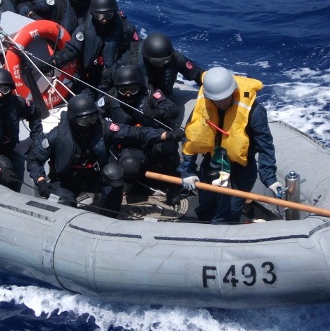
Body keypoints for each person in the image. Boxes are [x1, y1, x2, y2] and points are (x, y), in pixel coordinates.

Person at [27, 94, 185, 216]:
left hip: (93, 175)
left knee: (114, 175)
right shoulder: (56, 136)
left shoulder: (103, 128)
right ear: (73, 120)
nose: (89, 125)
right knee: (63, 207)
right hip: (67, 180)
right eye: (83, 121)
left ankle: (109, 216)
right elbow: (35, 159)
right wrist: (40, 180)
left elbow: (135, 133)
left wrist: (166, 135)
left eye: (92, 119)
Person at [178, 67, 283, 224]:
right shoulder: (203, 107)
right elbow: (191, 137)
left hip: (240, 171)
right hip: (213, 164)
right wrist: (188, 170)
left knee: (225, 217)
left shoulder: (254, 112)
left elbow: (265, 145)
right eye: (216, 99)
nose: (221, 102)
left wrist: (270, 179)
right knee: (207, 210)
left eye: (224, 98)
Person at [97, 64, 183, 205]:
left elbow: (171, 108)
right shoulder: (110, 99)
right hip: (130, 147)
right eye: (124, 91)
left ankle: (172, 187)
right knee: (129, 166)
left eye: (132, 90)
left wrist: (158, 112)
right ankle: (138, 183)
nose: (128, 95)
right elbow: (96, 114)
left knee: (168, 145)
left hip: (153, 142)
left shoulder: (151, 94)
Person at [41, 0, 139, 96]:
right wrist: (54, 61)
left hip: (116, 78)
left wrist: (118, 67)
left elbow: (135, 51)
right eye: (99, 16)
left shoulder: (126, 30)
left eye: (108, 15)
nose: (104, 20)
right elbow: (71, 49)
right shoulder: (84, 29)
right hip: (88, 78)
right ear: (92, 14)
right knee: (83, 103)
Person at [108, 32, 204, 97]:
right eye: (157, 62)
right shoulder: (131, 60)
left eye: (165, 62)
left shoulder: (175, 57)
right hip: (137, 95)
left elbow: (197, 74)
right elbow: (112, 78)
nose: (161, 65)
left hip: (163, 95)